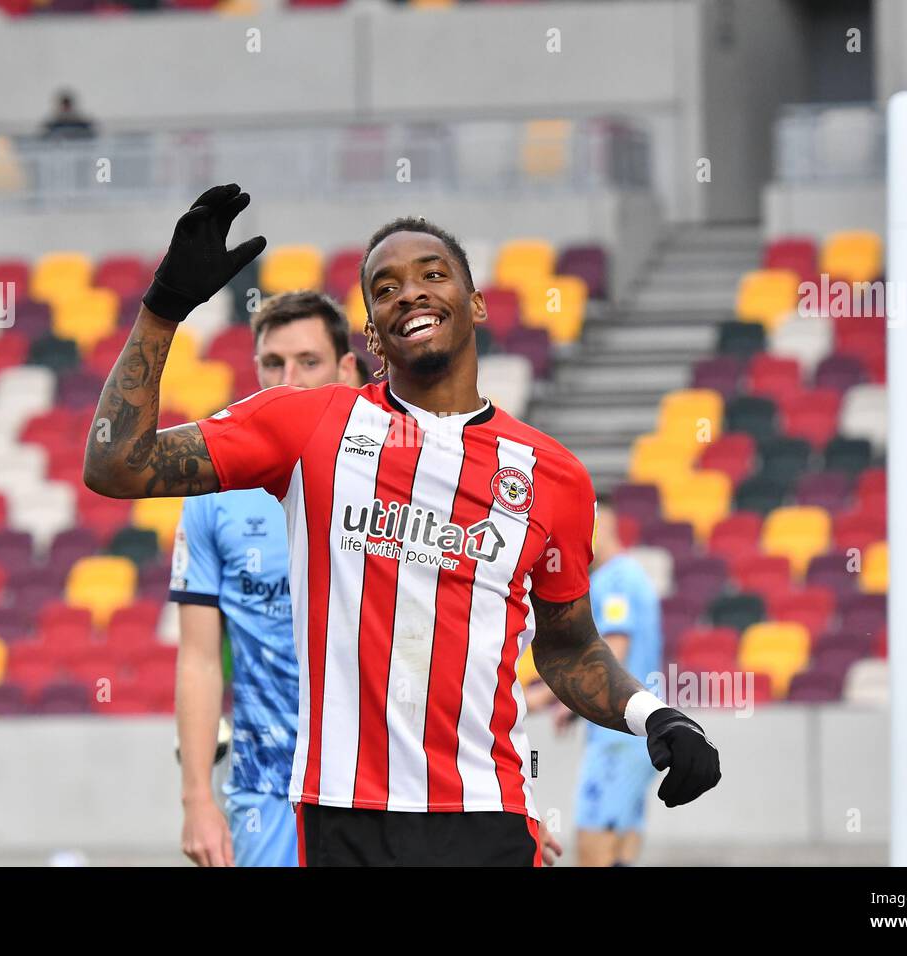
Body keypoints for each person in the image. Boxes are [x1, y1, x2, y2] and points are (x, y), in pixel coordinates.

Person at [83, 183, 720, 866]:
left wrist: (655, 715)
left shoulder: (552, 476)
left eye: (433, 275)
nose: (409, 293)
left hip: (489, 818)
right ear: (372, 337)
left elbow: (567, 648)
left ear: (474, 305)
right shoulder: (309, 425)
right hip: (344, 818)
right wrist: (164, 308)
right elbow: (117, 463)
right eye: (384, 289)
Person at [171, 291, 359, 868]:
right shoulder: (214, 495)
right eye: (273, 364)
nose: (289, 380)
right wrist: (197, 799)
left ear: (347, 370)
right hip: (266, 787)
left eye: (309, 362)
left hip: (379, 786)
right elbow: (200, 660)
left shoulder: (400, 476)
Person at [526, 504, 664, 866]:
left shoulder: (614, 580)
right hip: (640, 729)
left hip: (617, 737)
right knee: (622, 841)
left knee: (592, 842)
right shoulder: (632, 576)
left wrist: (539, 698)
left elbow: (613, 654)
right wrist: (572, 711)